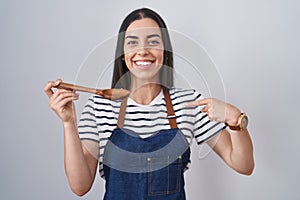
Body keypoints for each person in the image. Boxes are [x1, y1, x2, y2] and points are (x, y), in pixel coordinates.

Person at [44, 8, 254, 200]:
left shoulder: (189, 104)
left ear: (165, 49)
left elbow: (243, 165)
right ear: (122, 53)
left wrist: (235, 119)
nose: (142, 50)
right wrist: (68, 123)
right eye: (132, 42)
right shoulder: (98, 107)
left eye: (153, 41)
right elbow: (80, 186)